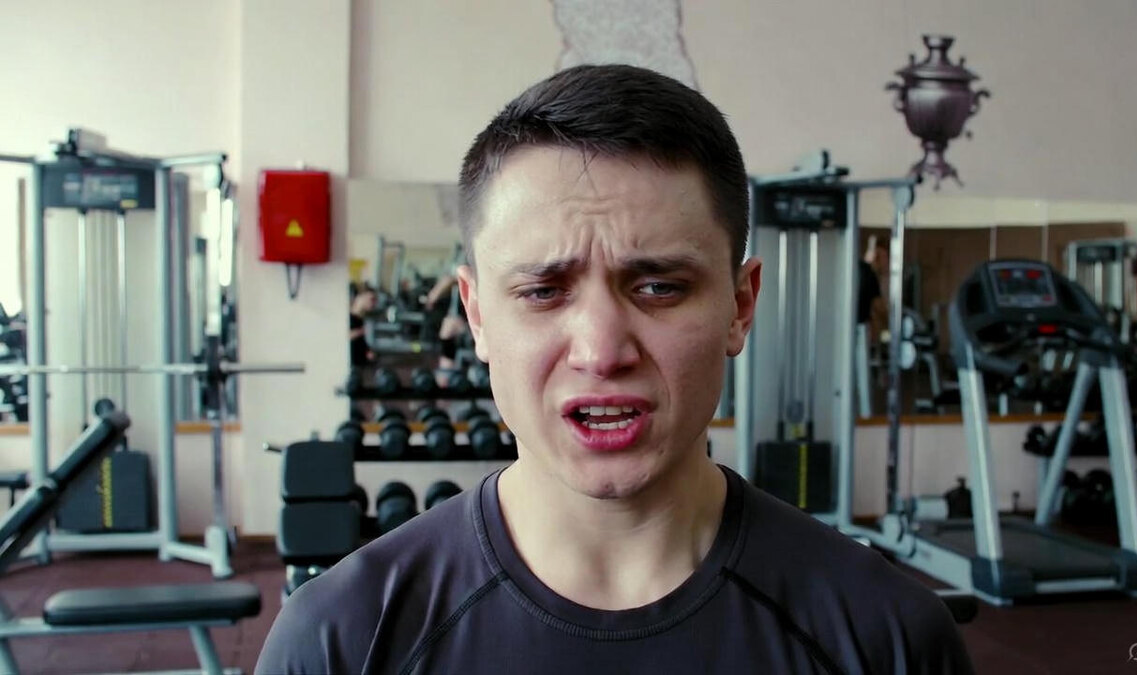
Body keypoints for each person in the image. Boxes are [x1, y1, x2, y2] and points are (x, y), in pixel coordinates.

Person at [258, 64, 972, 673]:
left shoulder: (888, 636)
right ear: (476, 316)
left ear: (740, 305)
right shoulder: (340, 640)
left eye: (658, 286)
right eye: (543, 291)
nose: (601, 351)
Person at [349, 284, 377, 367]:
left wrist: (367, 351)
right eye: (371, 299)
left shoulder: (360, 319)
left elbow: (360, 343)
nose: (374, 303)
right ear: (361, 297)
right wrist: (361, 331)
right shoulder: (346, 318)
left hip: (360, 365)